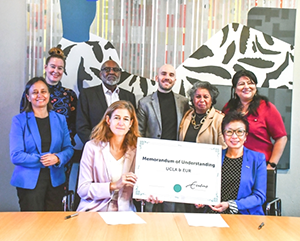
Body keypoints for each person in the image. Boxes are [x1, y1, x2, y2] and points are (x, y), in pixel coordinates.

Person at [10, 77, 74, 211]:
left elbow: (68, 149)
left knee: (53, 226)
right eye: (35, 92)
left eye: (43, 91)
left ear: (49, 95)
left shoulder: (60, 119)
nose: (40, 95)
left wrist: (57, 158)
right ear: (28, 97)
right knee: (32, 227)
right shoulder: (19, 121)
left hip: (55, 181)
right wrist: (44, 159)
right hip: (28, 183)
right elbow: (16, 155)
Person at [137, 64, 189, 212]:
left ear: (175, 79)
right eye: (164, 74)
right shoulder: (145, 103)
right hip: (152, 159)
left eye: (171, 75)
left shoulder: (183, 102)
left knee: (171, 200)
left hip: (176, 159)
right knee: (151, 201)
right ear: (157, 78)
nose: (167, 77)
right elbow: (139, 133)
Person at [197, 111, 266, 215]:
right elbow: (205, 187)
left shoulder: (258, 159)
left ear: (246, 135)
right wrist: (201, 199)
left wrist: (231, 205)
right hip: (214, 213)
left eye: (239, 131)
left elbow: (259, 196)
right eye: (229, 132)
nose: (234, 136)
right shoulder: (214, 156)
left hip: (244, 215)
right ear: (223, 135)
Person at [76, 101, 139, 212]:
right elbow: (83, 189)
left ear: (131, 123)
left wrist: (149, 195)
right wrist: (113, 185)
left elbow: (138, 191)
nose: (121, 123)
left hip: (124, 214)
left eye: (125, 119)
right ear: (108, 120)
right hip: (94, 211)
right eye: (116, 118)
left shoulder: (136, 150)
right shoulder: (91, 147)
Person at [222, 70, 287, 169]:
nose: (246, 87)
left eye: (250, 83)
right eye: (241, 84)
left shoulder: (266, 107)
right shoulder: (228, 108)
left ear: (255, 87)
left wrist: (271, 165)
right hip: (232, 165)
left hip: (259, 166)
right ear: (235, 89)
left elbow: (281, 138)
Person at [178, 80, 226, 213]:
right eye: (198, 96)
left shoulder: (219, 119)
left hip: (207, 176)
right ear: (193, 99)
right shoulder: (187, 116)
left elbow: (224, 150)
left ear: (212, 99)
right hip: (185, 173)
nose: (202, 100)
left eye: (206, 96)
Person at [20, 47, 77, 145]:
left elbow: (75, 123)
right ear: (46, 67)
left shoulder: (69, 94)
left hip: (62, 147)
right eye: (52, 66)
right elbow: (24, 117)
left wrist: (65, 140)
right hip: (35, 145)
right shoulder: (32, 91)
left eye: (60, 68)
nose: (56, 71)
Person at [76, 59, 136, 145]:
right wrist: (97, 145)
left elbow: (132, 125)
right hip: (95, 149)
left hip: (122, 149)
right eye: (107, 69)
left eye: (115, 70)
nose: (111, 72)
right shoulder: (87, 95)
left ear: (120, 74)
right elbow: (81, 126)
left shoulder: (129, 96)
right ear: (100, 74)